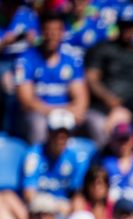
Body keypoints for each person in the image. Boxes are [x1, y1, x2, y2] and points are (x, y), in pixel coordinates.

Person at [83, 5, 133, 148]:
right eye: (124, 25)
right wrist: (110, 100)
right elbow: (91, 78)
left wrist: (125, 109)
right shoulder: (103, 49)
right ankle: (104, 166)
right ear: (118, 26)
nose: (127, 29)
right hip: (102, 108)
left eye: (131, 25)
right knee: (97, 125)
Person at [14, 13, 88, 144]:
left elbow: (81, 99)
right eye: (47, 30)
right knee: (38, 126)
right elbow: (26, 101)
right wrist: (57, 112)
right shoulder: (25, 60)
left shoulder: (72, 59)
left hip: (68, 115)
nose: (51, 35)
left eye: (55, 31)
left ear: (62, 32)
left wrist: (71, 112)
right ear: (41, 32)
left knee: (95, 123)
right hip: (39, 115)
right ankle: (39, 162)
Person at [21, 109, 88, 210]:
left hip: (65, 209)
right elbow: (29, 194)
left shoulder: (76, 157)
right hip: (39, 210)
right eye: (56, 132)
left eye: (66, 133)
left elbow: (78, 194)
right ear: (48, 132)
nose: (61, 137)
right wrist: (53, 206)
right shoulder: (34, 155)